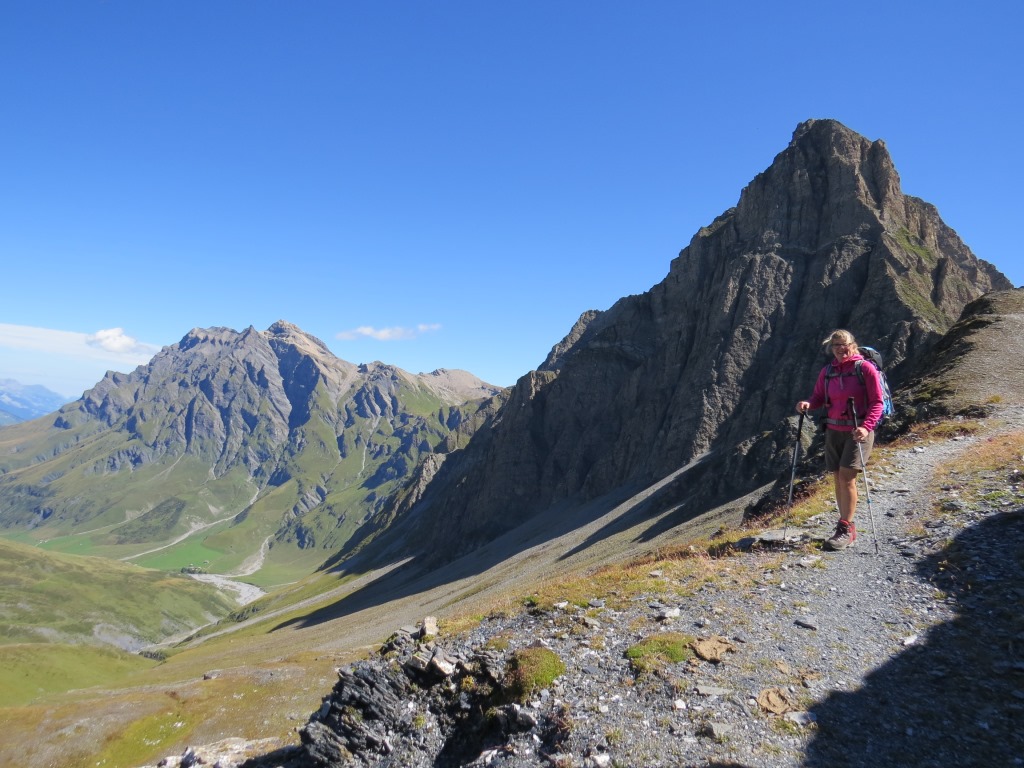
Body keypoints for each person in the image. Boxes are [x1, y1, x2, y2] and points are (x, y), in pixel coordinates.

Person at [796, 329, 885, 551]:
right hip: (833, 430)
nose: (840, 349)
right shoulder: (828, 372)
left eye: (844, 344)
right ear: (831, 348)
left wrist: (866, 427)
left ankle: (846, 527)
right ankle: (844, 523)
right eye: (836, 345)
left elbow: (877, 402)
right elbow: (819, 397)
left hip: (858, 432)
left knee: (846, 477)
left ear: (853, 345)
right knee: (837, 477)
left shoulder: (865, 369)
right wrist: (808, 404)